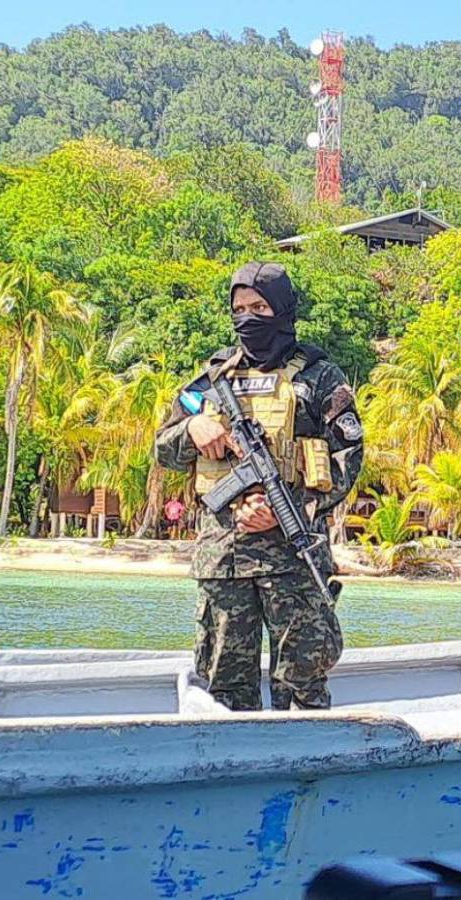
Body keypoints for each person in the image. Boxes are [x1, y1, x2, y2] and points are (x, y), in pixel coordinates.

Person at [154, 261, 363, 711]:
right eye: (240, 308)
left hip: (292, 556)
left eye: (260, 306)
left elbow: (348, 457)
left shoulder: (319, 378)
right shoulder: (211, 382)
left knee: (302, 686)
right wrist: (192, 431)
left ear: (283, 310)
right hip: (223, 560)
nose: (248, 317)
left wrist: (296, 506)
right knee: (224, 690)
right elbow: (162, 448)